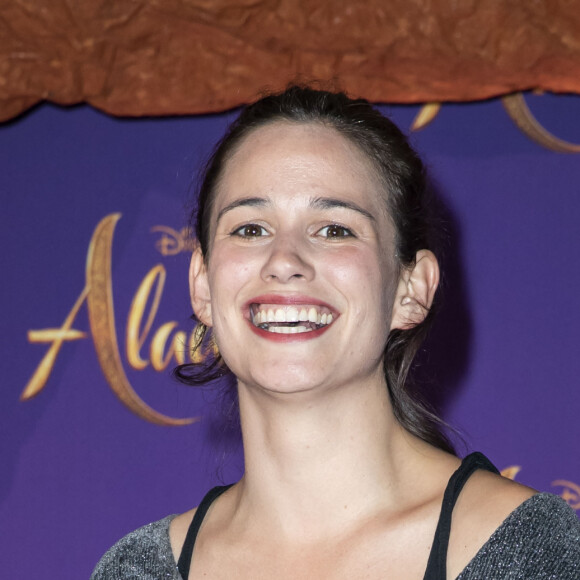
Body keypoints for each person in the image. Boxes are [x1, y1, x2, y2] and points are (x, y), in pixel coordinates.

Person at [91, 86, 580, 579]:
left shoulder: (529, 554)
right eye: (250, 229)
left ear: (410, 289)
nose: (284, 261)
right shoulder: (139, 570)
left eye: (334, 230)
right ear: (202, 286)